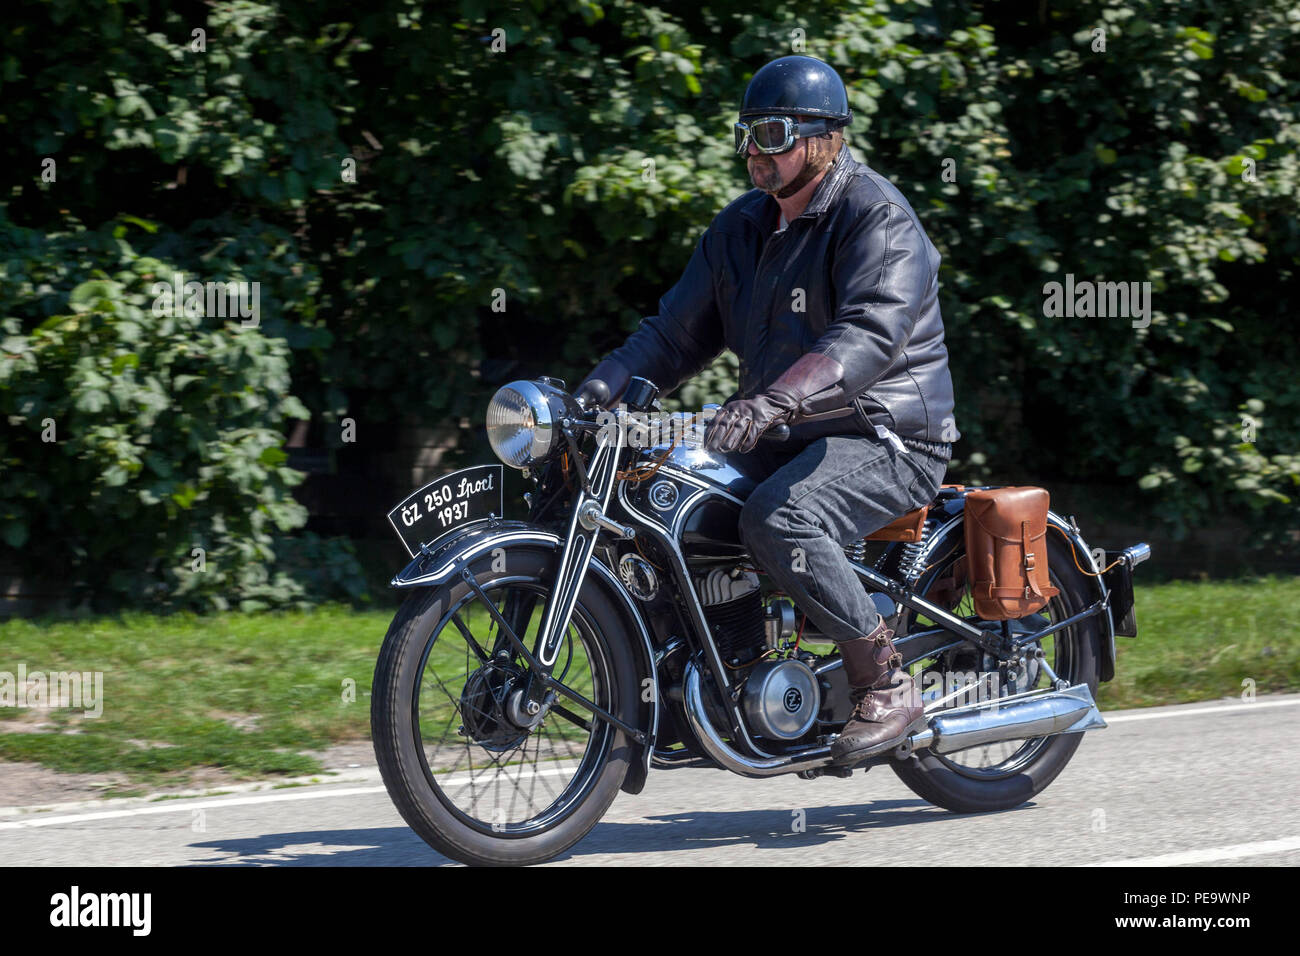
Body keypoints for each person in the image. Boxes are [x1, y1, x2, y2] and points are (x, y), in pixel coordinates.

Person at [575, 54, 960, 765]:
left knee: (783, 515)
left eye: (774, 132)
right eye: (748, 133)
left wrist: (775, 399)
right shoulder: (740, 230)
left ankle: (885, 682)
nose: (756, 150)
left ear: (826, 137)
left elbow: (869, 332)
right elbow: (670, 336)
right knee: (657, 493)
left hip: (886, 434)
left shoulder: (876, 216)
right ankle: (719, 682)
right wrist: (591, 397)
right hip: (780, 429)